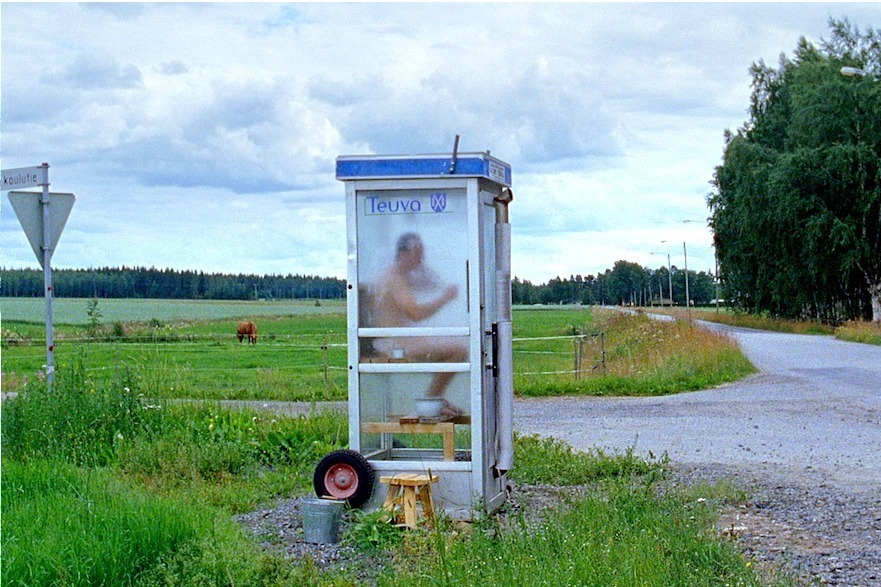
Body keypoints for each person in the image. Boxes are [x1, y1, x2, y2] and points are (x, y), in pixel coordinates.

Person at [372, 232, 467, 416]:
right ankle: (431, 402)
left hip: (398, 341)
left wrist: (426, 272)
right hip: (393, 344)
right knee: (458, 350)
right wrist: (445, 298)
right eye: (417, 254)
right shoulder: (394, 278)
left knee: (451, 347)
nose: (421, 259)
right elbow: (415, 314)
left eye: (422, 254)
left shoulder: (400, 276)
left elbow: (432, 284)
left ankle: (434, 399)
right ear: (402, 253)